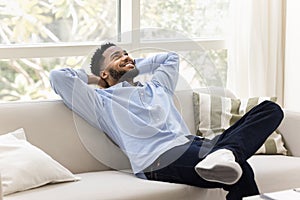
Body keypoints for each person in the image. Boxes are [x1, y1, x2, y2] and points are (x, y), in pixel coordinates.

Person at [49, 42, 283, 200]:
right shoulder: (100, 101)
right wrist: (97, 78)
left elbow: (170, 59)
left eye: (126, 53)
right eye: (116, 56)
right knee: (241, 168)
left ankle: (226, 152)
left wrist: (132, 64)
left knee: (271, 110)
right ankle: (227, 154)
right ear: (104, 73)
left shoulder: (157, 87)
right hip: (160, 159)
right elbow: (58, 77)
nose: (126, 57)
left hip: (196, 145)